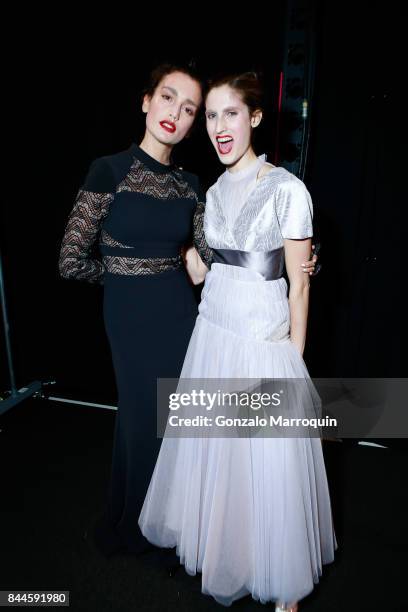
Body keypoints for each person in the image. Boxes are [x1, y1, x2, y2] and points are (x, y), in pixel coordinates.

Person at [58, 63, 318, 561]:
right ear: (145, 101)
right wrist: (124, 275)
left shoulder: (193, 184)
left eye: (188, 108)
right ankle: (133, 523)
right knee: (140, 418)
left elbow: (216, 255)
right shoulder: (109, 170)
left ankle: (179, 529)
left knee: (186, 424)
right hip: (130, 315)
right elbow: (70, 260)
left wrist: (297, 256)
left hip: (185, 314)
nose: (175, 113)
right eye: (167, 98)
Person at [138, 72, 336, 611]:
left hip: (260, 343)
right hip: (214, 336)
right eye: (211, 116)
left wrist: (292, 357)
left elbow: (299, 284)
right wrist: (140, 245)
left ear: (254, 118)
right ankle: (229, 553)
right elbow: (201, 268)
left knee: (267, 468)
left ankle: (283, 584)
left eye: (231, 114)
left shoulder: (288, 189)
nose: (219, 127)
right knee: (221, 461)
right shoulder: (212, 191)